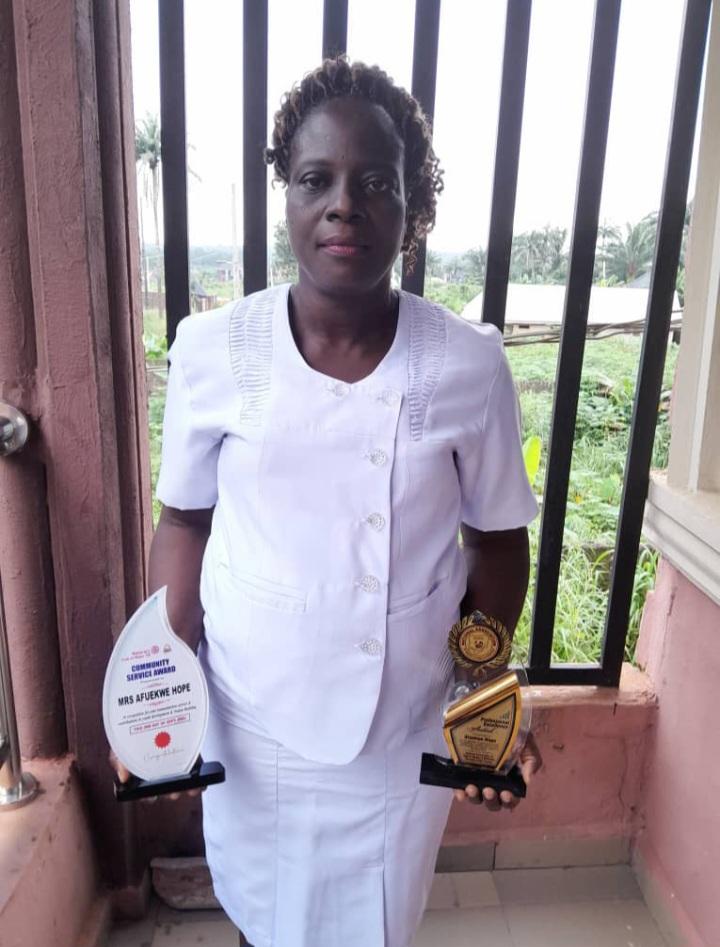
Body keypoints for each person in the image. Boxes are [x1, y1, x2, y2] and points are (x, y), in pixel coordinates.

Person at [114, 58, 541, 947]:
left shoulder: (468, 365)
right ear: (288, 196)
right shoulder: (212, 350)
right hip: (253, 715)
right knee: (259, 913)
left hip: (401, 723)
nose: (345, 204)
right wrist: (161, 686)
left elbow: (499, 540)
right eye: (317, 179)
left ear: (413, 207)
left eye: (376, 182)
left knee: (375, 924)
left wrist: (480, 681)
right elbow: (184, 520)